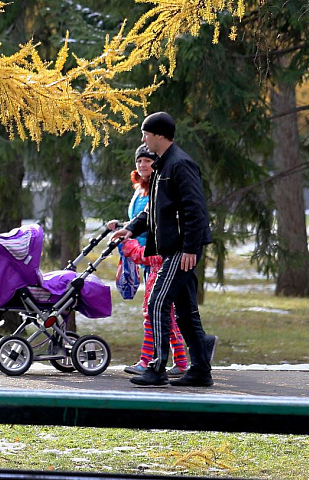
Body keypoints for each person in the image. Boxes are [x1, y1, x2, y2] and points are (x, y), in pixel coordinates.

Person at [111, 112, 217, 387]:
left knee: (158, 301)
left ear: (159, 135)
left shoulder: (180, 165)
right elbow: (153, 210)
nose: (143, 138)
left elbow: (195, 209)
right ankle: (200, 370)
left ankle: (156, 368)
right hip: (173, 249)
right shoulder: (163, 167)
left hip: (181, 250)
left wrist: (191, 248)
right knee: (185, 310)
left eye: (146, 133)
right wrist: (131, 229)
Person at [112, 144, 188, 378]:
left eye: (148, 161)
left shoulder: (160, 188)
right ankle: (182, 361)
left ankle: (148, 360)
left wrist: (130, 245)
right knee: (162, 311)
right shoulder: (142, 190)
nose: (143, 165)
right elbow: (139, 220)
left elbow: (156, 222)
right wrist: (123, 229)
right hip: (145, 256)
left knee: (153, 310)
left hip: (156, 255)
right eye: (139, 161)